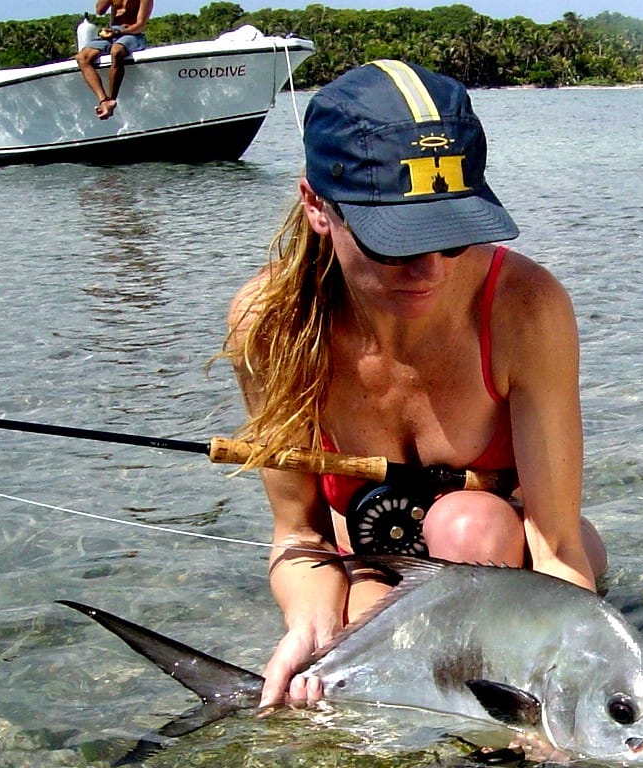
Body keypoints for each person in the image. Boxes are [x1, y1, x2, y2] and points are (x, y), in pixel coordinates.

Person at [225, 60, 606, 708]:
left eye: (452, 234)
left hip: (517, 553)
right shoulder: (268, 325)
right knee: (358, 629)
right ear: (318, 205)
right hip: (378, 562)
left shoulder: (527, 309)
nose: (429, 269)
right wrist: (312, 628)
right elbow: (299, 536)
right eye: (395, 243)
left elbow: (559, 543)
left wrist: (566, 681)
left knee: (468, 526)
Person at [76, 0, 153, 120]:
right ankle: (103, 100)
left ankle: (113, 98)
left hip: (132, 34)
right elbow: (100, 10)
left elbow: (140, 25)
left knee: (116, 51)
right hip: (112, 31)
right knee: (82, 57)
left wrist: (119, 33)